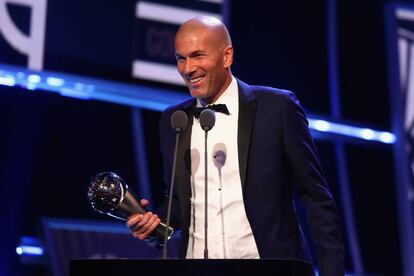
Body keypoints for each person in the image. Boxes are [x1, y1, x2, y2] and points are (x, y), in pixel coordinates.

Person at [127, 16, 344, 276]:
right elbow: (180, 203)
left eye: (197, 56)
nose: (188, 68)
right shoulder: (174, 121)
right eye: (180, 58)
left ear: (227, 57)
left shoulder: (278, 109)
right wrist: (154, 224)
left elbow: (317, 199)